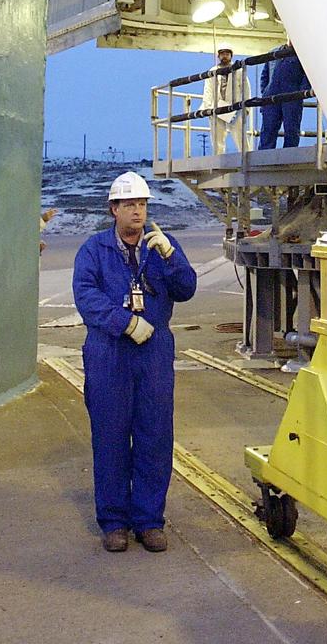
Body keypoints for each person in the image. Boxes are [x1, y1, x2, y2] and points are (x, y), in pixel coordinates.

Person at [72, 171, 197, 553]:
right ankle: (114, 522)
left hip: (154, 356)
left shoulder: (163, 246)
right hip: (109, 355)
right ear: (114, 210)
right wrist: (124, 322)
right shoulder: (94, 250)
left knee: (154, 437)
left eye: (142, 204)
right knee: (110, 438)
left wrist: (171, 258)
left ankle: (148, 521)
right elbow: (86, 295)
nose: (137, 212)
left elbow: (187, 288)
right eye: (129, 205)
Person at [201, 44, 251, 154]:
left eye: (227, 54)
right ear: (218, 56)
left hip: (235, 106)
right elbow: (208, 90)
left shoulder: (238, 70)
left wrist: (246, 108)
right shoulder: (212, 71)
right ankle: (218, 160)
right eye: (222, 54)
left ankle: (246, 157)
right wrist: (208, 108)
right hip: (216, 106)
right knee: (217, 137)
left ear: (231, 56)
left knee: (240, 135)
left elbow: (246, 89)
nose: (225, 56)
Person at [258, 50, 310, 149]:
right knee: (268, 128)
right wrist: (266, 93)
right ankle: (264, 156)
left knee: (291, 128)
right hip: (271, 96)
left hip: (292, 96)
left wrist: (300, 93)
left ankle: (290, 156)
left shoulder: (302, 54)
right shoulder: (275, 52)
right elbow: (265, 75)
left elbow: (307, 75)